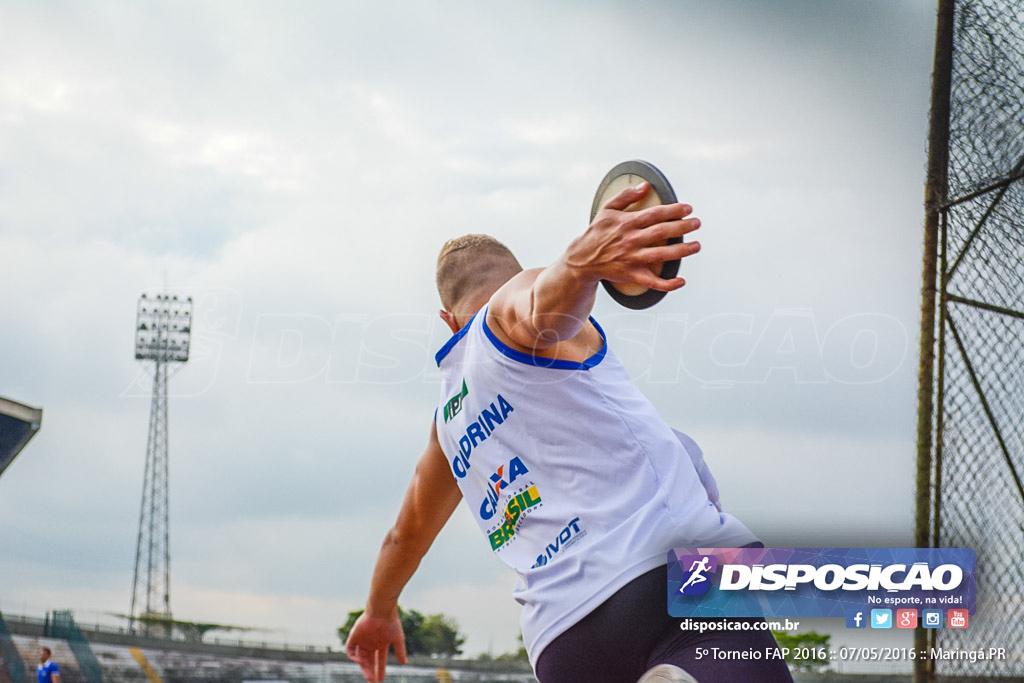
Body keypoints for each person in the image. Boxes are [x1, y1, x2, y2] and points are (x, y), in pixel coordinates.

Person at [345, 181, 793, 683]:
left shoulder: (448, 427)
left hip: (563, 641)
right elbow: (535, 305)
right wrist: (580, 264)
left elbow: (405, 534)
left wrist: (378, 611)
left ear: (448, 321)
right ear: (512, 278)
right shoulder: (512, 305)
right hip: (660, 573)